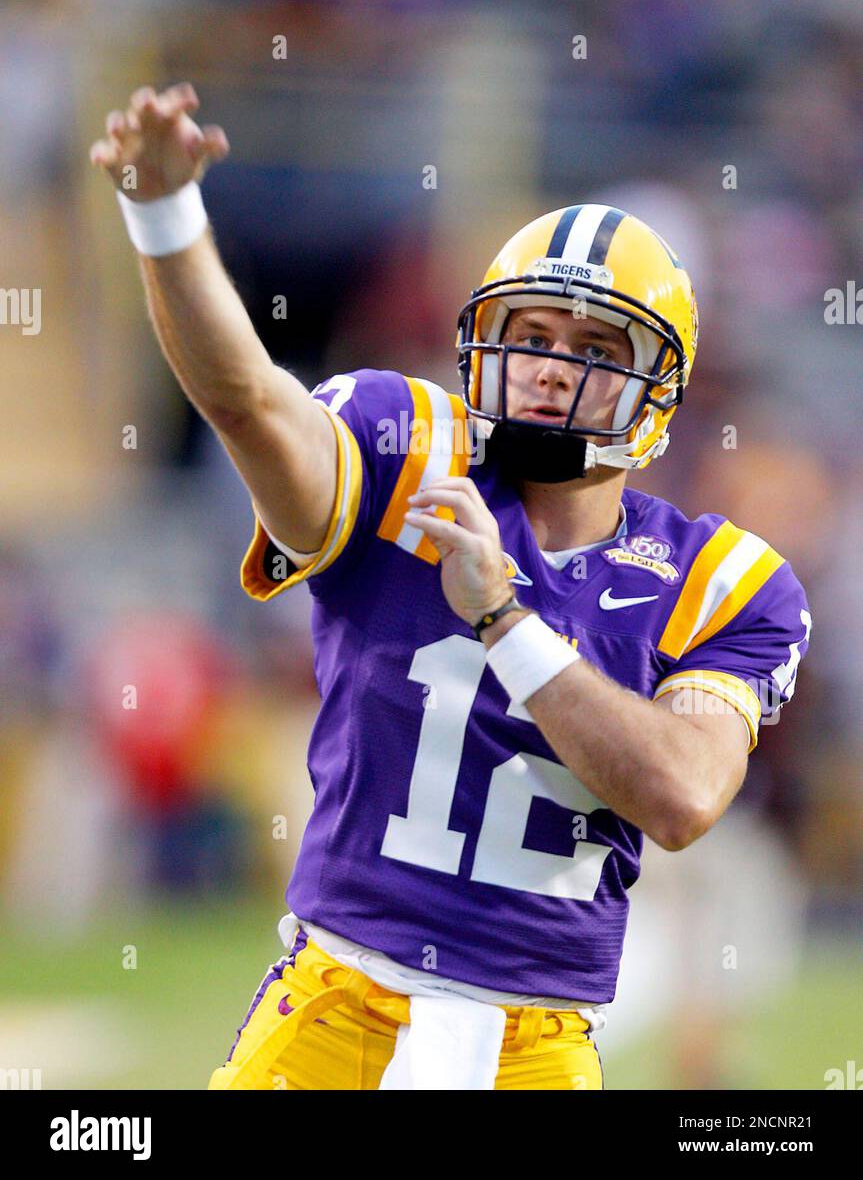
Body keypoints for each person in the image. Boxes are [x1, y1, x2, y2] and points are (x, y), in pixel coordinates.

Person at [91, 82, 812, 1091]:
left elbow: (682, 792)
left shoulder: (720, 578)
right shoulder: (403, 451)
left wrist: (505, 619)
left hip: (537, 1042)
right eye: (532, 336)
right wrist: (164, 215)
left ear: (660, 387)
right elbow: (248, 399)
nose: (551, 369)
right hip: (335, 1003)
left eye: (595, 350)